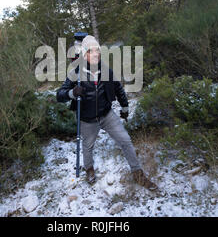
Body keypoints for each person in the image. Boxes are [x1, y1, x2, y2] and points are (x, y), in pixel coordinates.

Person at [56, 35, 158, 191]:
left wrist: (124, 107)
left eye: (97, 50)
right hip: (87, 120)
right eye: (91, 51)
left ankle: (137, 173)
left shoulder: (106, 70)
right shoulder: (75, 74)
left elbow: (118, 89)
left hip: (107, 115)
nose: (95, 53)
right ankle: (89, 169)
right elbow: (59, 95)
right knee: (87, 147)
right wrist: (72, 93)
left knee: (125, 140)